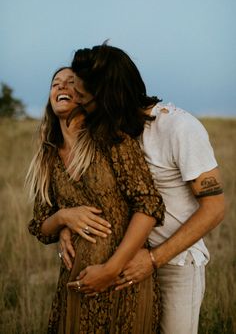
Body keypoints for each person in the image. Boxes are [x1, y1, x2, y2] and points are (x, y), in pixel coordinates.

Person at [60, 44, 225, 334]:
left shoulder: (179, 128)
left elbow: (215, 209)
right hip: (120, 260)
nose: (79, 106)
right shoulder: (107, 132)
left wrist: (152, 260)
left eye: (85, 99)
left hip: (174, 265)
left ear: (109, 96)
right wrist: (66, 225)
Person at [26, 66, 165, 333]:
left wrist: (112, 269)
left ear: (85, 95)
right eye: (56, 83)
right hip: (79, 283)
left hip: (124, 279)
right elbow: (41, 227)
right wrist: (64, 217)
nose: (62, 87)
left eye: (71, 83)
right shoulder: (48, 157)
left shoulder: (111, 140)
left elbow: (148, 204)